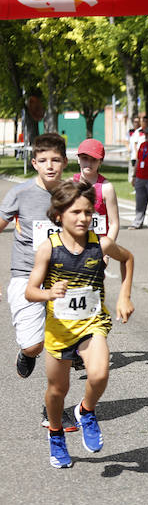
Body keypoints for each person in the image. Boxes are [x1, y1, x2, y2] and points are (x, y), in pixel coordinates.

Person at [25, 179, 135, 468]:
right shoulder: (49, 248)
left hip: (91, 323)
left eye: (88, 212)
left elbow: (128, 259)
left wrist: (124, 296)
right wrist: (49, 292)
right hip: (59, 330)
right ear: (59, 215)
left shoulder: (101, 243)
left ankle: (86, 411)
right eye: (76, 212)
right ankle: (56, 434)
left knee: (99, 373)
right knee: (57, 391)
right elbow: (30, 290)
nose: (84, 218)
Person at [0, 134, 67, 381]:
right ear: (34, 163)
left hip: (64, 278)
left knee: (69, 348)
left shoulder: (73, 194)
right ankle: (27, 353)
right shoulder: (21, 193)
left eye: (55, 160)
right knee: (33, 345)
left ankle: (61, 408)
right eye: (43, 160)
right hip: (26, 275)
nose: (50, 165)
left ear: (65, 162)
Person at [72, 139, 120, 242]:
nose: (89, 163)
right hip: (73, 245)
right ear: (78, 159)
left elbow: (114, 223)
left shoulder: (106, 188)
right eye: (85, 158)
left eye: (94, 159)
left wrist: (107, 249)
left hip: (98, 246)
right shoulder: (69, 184)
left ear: (100, 162)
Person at [127, 115, 148, 184]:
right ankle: (136, 186)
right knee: (137, 171)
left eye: (146, 121)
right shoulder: (138, 132)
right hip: (139, 155)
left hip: (147, 155)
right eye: (144, 121)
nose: (145, 123)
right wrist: (137, 154)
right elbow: (135, 144)